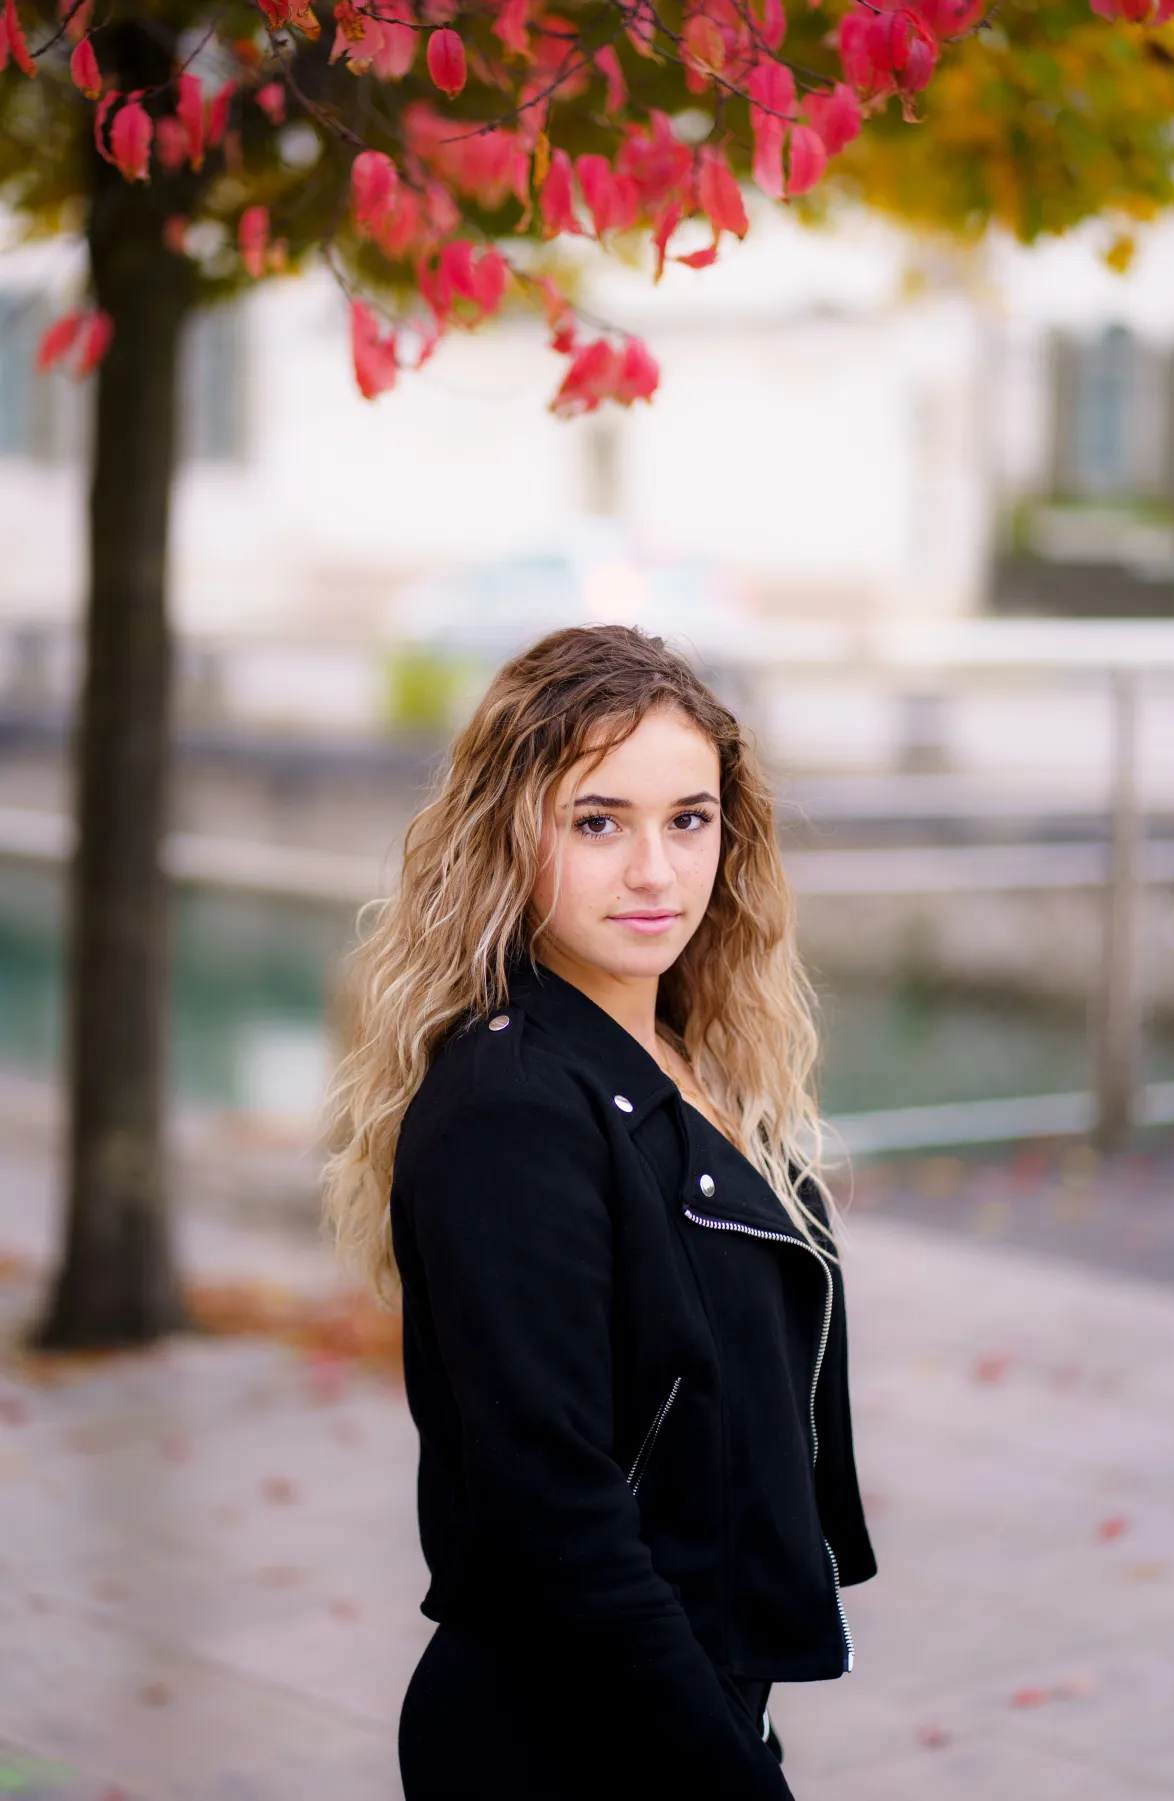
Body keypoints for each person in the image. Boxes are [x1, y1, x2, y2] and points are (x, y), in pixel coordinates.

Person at [324, 623, 877, 1800]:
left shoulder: (683, 1061)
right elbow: (552, 1509)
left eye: (688, 818)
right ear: (508, 833)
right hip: (571, 1731)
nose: (656, 873)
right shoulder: (512, 1107)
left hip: (676, 1690)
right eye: (597, 821)